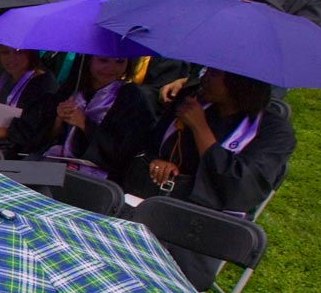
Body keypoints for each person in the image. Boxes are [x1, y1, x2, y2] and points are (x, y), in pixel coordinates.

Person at [125, 68, 293, 214]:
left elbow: (239, 189)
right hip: (153, 196)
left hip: (210, 220)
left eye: (214, 74)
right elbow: (149, 142)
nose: (204, 78)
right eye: (207, 71)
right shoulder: (191, 99)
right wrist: (157, 160)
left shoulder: (274, 132)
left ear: (240, 83)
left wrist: (200, 127)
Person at [42, 55, 155, 178]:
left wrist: (84, 123)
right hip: (54, 165)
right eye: (103, 60)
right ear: (89, 60)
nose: (111, 68)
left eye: (120, 61)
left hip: (98, 179)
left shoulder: (133, 98)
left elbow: (123, 151)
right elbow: (44, 138)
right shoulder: (72, 88)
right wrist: (59, 118)